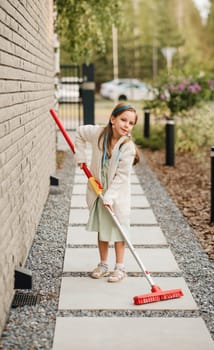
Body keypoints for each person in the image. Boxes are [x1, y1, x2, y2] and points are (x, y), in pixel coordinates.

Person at [75, 102, 139, 282]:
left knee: (119, 230)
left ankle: (120, 267)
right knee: (103, 229)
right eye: (123, 120)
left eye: (131, 123)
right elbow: (79, 132)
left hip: (116, 196)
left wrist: (110, 197)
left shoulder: (128, 147)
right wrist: (81, 157)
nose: (126, 125)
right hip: (98, 191)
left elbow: (121, 176)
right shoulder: (98, 133)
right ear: (113, 119)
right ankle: (103, 264)